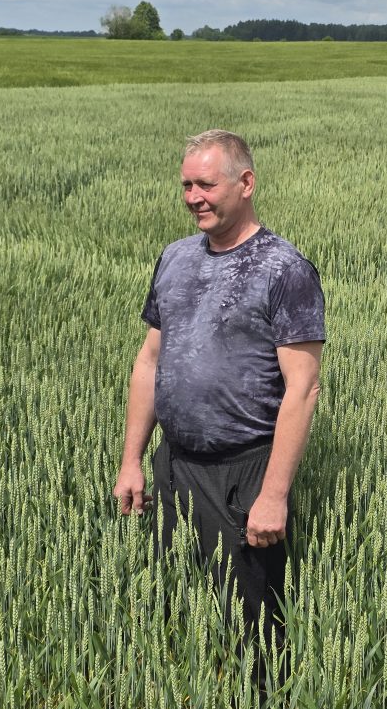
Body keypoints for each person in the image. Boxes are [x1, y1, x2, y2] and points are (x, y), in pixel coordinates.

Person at [113, 129, 325, 647]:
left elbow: (302, 389)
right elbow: (149, 361)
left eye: (205, 185)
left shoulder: (284, 269)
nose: (193, 197)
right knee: (173, 609)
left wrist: (272, 495)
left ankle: (261, 703)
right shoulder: (175, 257)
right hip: (172, 466)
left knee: (253, 630)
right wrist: (132, 460)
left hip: (242, 472)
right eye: (186, 185)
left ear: (245, 183)